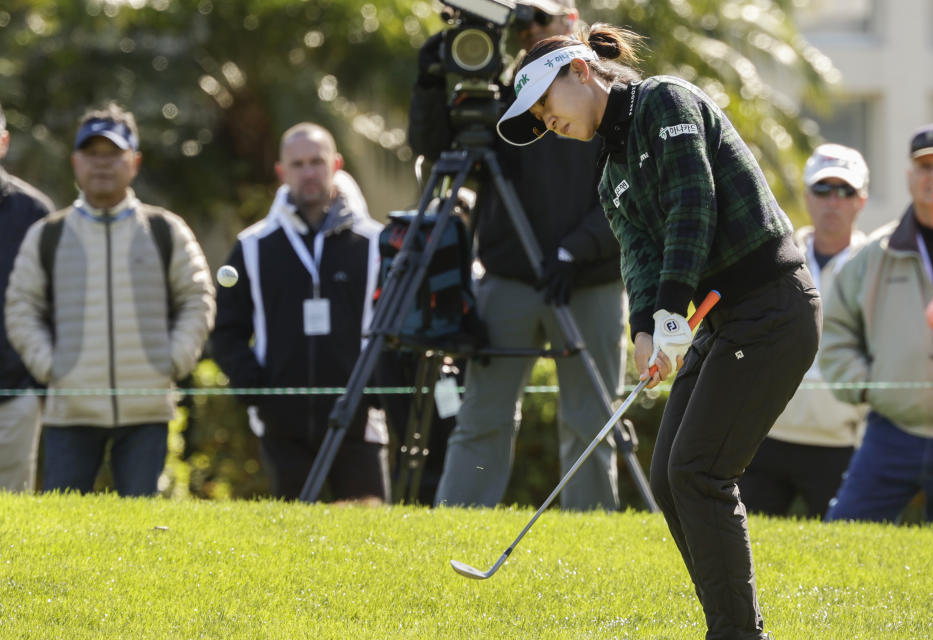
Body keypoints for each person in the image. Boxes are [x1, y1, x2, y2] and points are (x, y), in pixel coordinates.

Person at [496, 24, 821, 640]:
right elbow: (638, 257)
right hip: (724, 320)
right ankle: (732, 627)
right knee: (672, 477)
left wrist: (673, 312)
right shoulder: (608, 169)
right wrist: (645, 328)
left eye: (545, 104)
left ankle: (737, 634)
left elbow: (691, 201)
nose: (545, 121)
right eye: (536, 115)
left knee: (699, 472)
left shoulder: (664, 101)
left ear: (580, 72)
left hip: (773, 308)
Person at [412, 0, 627, 511]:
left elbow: (631, 192)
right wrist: (428, 84)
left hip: (590, 278)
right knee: (482, 415)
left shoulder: (608, 94)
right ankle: (459, 523)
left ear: (569, 21)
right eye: (520, 22)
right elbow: (435, 151)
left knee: (590, 419)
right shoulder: (501, 96)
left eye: (538, 20)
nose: (527, 30)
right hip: (509, 278)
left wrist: (576, 249)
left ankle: (591, 535)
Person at [5, 102, 215, 496]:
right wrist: (50, 367)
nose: (102, 164)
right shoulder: (48, 233)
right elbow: (21, 306)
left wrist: (173, 360)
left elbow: (197, 296)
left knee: (141, 533)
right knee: (64, 533)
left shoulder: (165, 230)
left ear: (134, 162)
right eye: (92, 154)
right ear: (75, 162)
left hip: (146, 410)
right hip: (71, 411)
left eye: (113, 154)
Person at [211, 123, 390, 503]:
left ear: (336, 164)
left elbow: (396, 328)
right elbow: (226, 330)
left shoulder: (377, 243)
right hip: (282, 432)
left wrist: (375, 393)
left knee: (368, 547)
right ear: (281, 171)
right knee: (294, 549)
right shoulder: (253, 246)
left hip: (360, 428)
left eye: (317, 161)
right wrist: (259, 392)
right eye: (298, 164)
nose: (308, 172)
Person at [821, 122, 933, 528]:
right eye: (925, 167)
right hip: (890, 431)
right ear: (909, 176)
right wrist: (867, 386)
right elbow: (836, 334)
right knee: (843, 541)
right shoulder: (873, 256)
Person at [739, 144, 869, 518]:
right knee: (748, 556)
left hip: (844, 444)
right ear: (807, 196)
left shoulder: (877, 263)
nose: (833, 201)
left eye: (844, 191)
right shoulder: (775, 255)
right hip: (767, 438)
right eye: (823, 189)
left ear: (861, 200)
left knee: (845, 563)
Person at [0, 103, 55, 492]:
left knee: (11, 520)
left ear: (3, 143)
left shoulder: (34, 212)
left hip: (14, 395)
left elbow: (53, 304)